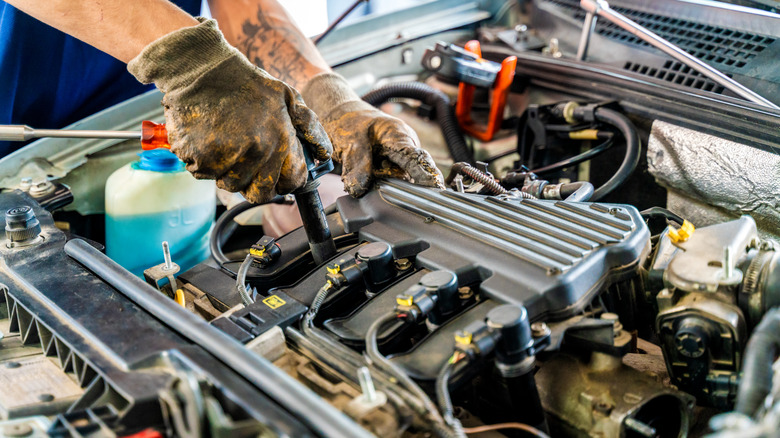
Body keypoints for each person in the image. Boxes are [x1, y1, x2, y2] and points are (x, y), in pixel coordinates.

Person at [0, 0, 444, 203]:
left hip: (153, 125)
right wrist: (193, 65)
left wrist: (329, 97)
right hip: (20, 153)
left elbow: (245, 7)